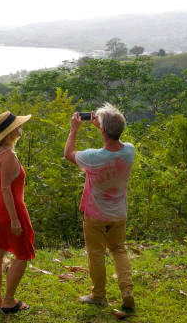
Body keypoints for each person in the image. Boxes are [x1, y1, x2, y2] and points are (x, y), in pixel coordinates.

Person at [63, 103, 135, 311]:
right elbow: (114, 141)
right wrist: (102, 127)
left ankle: (98, 295)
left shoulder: (93, 157)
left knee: (95, 252)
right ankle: (126, 290)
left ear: (103, 130)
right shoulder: (129, 151)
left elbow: (68, 153)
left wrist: (74, 129)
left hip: (95, 213)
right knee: (118, 249)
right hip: (118, 213)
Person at [0, 111, 35, 314]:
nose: (21, 128)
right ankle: (9, 300)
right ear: (13, 132)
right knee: (23, 252)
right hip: (9, 205)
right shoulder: (9, 156)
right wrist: (14, 219)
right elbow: (6, 188)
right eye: (19, 126)